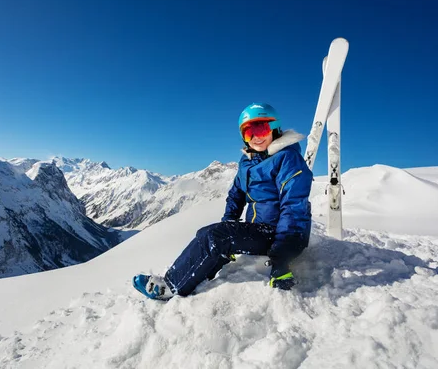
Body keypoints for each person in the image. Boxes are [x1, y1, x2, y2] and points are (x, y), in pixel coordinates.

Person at [133, 103, 313, 300]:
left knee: (216, 237)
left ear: (275, 128)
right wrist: (228, 223)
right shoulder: (249, 161)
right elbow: (236, 194)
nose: (256, 137)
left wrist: (281, 258)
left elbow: (294, 206)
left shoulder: (287, 158)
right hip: (261, 228)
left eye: (261, 128)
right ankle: (202, 276)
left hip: (284, 235)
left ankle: (169, 287)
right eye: (248, 132)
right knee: (207, 233)